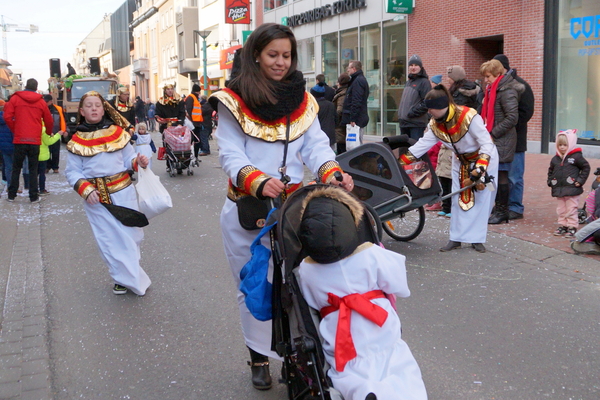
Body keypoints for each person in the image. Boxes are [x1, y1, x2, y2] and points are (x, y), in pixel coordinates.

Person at [208, 22, 354, 391]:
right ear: (256, 54)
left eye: (287, 56)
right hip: (247, 208)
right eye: (273, 55)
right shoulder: (232, 99)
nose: (280, 63)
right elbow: (229, 152)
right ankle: (258, 355)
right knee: (254, 285)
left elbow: (316, 145)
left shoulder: (302, 99)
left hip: (292, 210)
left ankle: (298, 352)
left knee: (299, 283)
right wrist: (257, 179)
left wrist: (331, 172)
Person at [296, 186, 428, 400]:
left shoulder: (306, 270)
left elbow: (311, 301)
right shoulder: (371, 254)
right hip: (379, 326)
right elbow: (398, 285)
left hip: (339, 332)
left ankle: (364, 393)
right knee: (398, 366)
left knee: (347, 372)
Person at [65, 91, 151, 296]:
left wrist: (138, 163)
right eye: (89, 105)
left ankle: (130, 273)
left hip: (123, 193)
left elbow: (128, 160)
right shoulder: (76, 140)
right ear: (82, 111)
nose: (94, 108)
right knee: (109, 241)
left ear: (104, 109)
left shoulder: (118, 133)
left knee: (131, 236)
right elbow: (72, 171)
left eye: (98, 105)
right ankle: (121, 279)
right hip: (97, 200)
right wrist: (86, 190)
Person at [399, 84, 498, 253]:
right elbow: (422, 145)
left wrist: (479, 170)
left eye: (431, 109)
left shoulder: (469, 117)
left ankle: (477, 239)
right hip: (460, 161)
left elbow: (486, 143)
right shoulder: (435, 124)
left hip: (482, 159)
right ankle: (456, 238)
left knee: (481, 200)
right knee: (457, 199)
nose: (429, 112)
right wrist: (400, 163)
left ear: (441, 107)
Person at [479, 59, 523, 224]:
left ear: (498, 74)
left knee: (501, 175)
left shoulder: (506, 90)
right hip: (494, 138)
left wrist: (493, 133)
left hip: (502, 139)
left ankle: (502, 210)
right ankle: (497, 208)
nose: (486, 80)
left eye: (488, 76)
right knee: (493, 174)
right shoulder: (493, 89)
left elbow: (512, 117)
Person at [492, 54, 535, 221]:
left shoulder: (521, 86)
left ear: (502, 67)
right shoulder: (496, 85)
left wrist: (509, 129)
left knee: (514, 175)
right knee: (500, 174)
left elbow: (526, 112)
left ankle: (515, 207)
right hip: (500, 138)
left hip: (515, 138)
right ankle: (502, 205)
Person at [3, 78, 53, 203]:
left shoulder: (15, 98)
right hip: (34, 140)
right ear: (36, 88)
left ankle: (11, 195)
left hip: (20, 139)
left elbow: (7, 116)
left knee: (16, 168)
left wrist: (15, 129)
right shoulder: (41, 102)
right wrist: (47, 132)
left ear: (26, 85)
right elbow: (49, 120)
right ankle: (33, 196)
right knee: (33, 168)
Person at [547, 129, 590, 238]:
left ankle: (572, 226)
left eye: (565, 145)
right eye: (560, 145)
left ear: (570, 144)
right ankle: (563, 225)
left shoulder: (576, 157)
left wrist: (580, 181)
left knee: (571, 208)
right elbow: (550, 171)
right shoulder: (555, 159)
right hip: (559, 189)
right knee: (561, 209)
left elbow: (586, 168)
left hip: (572, 188)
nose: (562, 147)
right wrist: (550, 181)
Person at [397, 55, 430, 140]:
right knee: (403, 149)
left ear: (420, 67)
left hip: (416, 124)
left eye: (416, 65)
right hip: (404, 123)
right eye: (411, 65)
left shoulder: (424, 82)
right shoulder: (409, 82)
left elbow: (427, 102)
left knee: (414, 150)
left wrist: (413, 113)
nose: (413, 67)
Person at [340, 60, 369, 143]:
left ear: (354, 68)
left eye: (349, 68)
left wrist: (353, 118)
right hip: (358, 118)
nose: (347, 70)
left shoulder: (357, 81)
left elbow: (356, 100)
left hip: (357, 120)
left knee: (356, 145)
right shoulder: (358, 80)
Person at [43, 94, 66, 174]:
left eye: (47, 102)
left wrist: (64, 130)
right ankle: (47, 167)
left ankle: (55, 167)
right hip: (46, 133)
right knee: (47, 151)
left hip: (56, 133)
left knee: (55, 151)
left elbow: (63, 120)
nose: (45, 103)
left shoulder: (58, 109)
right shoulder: (42, 109)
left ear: (51, 101)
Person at [310, 83, 336, 150]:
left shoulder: (314, 106)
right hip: (331, 135)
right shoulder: (331, 105)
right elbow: (336, 119)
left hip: (319, 136)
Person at [38, 125, 60, 195]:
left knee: (33, 173)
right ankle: (42, 189)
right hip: (42, 155)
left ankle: (33, 190)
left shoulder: (31, 128)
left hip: (33, 153)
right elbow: (48, 142)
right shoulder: (43, 130)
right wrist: (58, 135)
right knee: (42, 174)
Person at [332, 73, 351, 154]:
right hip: (342, 125)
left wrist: (334, 120)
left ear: (340, 83)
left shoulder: (342, 95)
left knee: (341, 149)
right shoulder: (346, 92)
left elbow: (339, 110)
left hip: (340, 126)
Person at [185, 84, 204, 158]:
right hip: (193, 124)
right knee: (193, 140)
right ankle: (191, 156)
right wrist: (190, 122)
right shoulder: (191, 98)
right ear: (198, 91)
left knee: (197, 141)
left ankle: (194, 156)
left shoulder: (194, 98)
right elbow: (189, 110)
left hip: (197, 123)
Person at [0, 99, 13, 197]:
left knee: (8, 167)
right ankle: (13, 187)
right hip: (14, 145)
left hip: (3, 147)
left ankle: (9, 186)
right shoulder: (11, 119)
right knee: (15, 168)